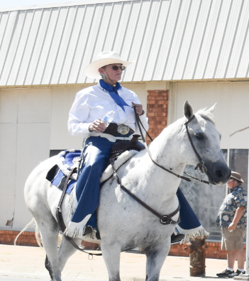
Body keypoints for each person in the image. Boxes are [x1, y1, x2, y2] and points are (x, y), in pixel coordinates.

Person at [62, 51, 204, 243]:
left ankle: (179, 225)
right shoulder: (87, 95)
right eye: (115, 67)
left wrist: (141, 113)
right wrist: (89, 126)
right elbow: (72, 125)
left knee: (159, 167)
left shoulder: (130, 94)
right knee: (93, 165)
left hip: (128, 140)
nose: (119, 70)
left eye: (121, 67)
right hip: (100, 140)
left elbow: (141, 125)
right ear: (102, 70)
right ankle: (85, 221)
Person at [215, 172, 247, 277]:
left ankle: (241, 270)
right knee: (231, 247)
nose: (226, 182)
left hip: (236, 226)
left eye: (227, 180)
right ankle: (230, 269)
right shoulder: (233, 192)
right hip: (229, 226)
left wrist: (234, 222)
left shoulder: (239, 192)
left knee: (237, 247)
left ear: (233, 181)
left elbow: (241, 207)